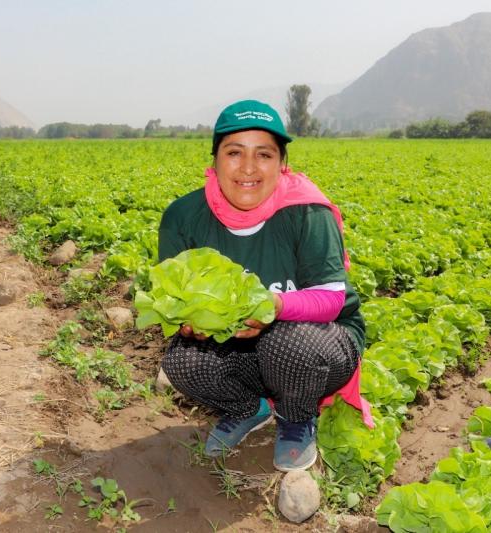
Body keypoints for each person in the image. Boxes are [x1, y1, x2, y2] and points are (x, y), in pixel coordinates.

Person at [158, 100, 368, 471]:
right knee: (182, 360)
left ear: (282, 163)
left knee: (288, 341)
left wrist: (274, 306)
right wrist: (189, 322)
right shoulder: (183, 216)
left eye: (265, 155)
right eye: (234, 153)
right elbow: (170, 295)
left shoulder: (307, 211)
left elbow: (332, 298)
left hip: (321, 342)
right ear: (215, 159)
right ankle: (247, 409)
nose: (249, 168)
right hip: (239, 349)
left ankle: (297, 416)